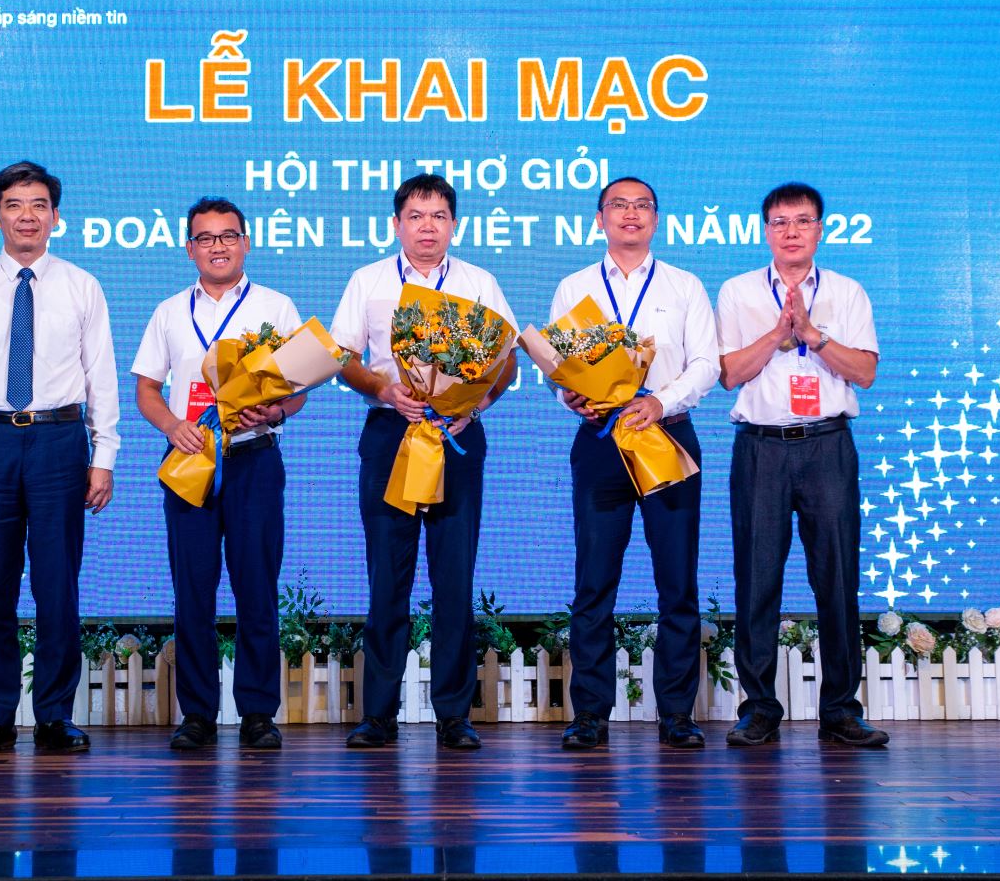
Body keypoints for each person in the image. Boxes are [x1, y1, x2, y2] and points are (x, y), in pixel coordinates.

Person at [0, 161, 120, 755]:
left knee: (57, 585)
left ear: (56, 217)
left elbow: (102, 376)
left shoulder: (82, 286)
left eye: (39, 205)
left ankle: (55, 715)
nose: (27, 216)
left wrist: (104, 454)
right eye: (15, 205)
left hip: (59, 441)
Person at [329, 174, 519, 750]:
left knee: (454, 579)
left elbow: (507, 360)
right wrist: (384, 390)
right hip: (392, 435)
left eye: (438, 216)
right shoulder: (367, 280)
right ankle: (378, 715)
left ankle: (454, 715)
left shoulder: (479, 282)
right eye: (415, 216)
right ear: (397, 224)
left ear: (454, 224)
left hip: (456, 437)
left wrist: (475, 405)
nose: (427, 227)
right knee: (387, 579)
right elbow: (342, 357)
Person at [548, 177, 719, 750]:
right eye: (618, 205)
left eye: (642, 205)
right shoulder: (574, 286)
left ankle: (677, 713)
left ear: (656, 218)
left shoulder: (684, 285)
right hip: (600, 439)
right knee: (594, 581)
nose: (631, 214)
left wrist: (660, 402)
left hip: (666, 434)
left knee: (677, 581)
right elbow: (559, 367)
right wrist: (569, 396)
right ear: (599, 219)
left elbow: (706, 364)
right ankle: (590, 714)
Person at [715, 182, 886, 748]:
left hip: (827, 446)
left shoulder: (847, 291)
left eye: (803, 221)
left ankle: (840, 708)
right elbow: (729, 374)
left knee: (836, 578)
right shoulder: (738, 292)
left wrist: (813, 335)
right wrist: (777, 334)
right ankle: (759, 707)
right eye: (780, 222)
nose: (791, 231)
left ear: (820, 229)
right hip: (761, 448)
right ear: (765, 231)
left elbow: (865, 372)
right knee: (756, 579)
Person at [133, 197, 306, 751]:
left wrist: (275, 411)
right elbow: (146, 388)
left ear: (245, 243)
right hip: (190, 460)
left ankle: (257, 712)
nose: (218, 247)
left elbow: (298, 388)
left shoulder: (276, 307)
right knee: (192, 590)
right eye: (205, 238)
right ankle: (197, 714)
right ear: (190, 248)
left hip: (254, 459)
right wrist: (171, 426)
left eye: (228, 236)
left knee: (257, 588)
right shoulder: (168, 312)